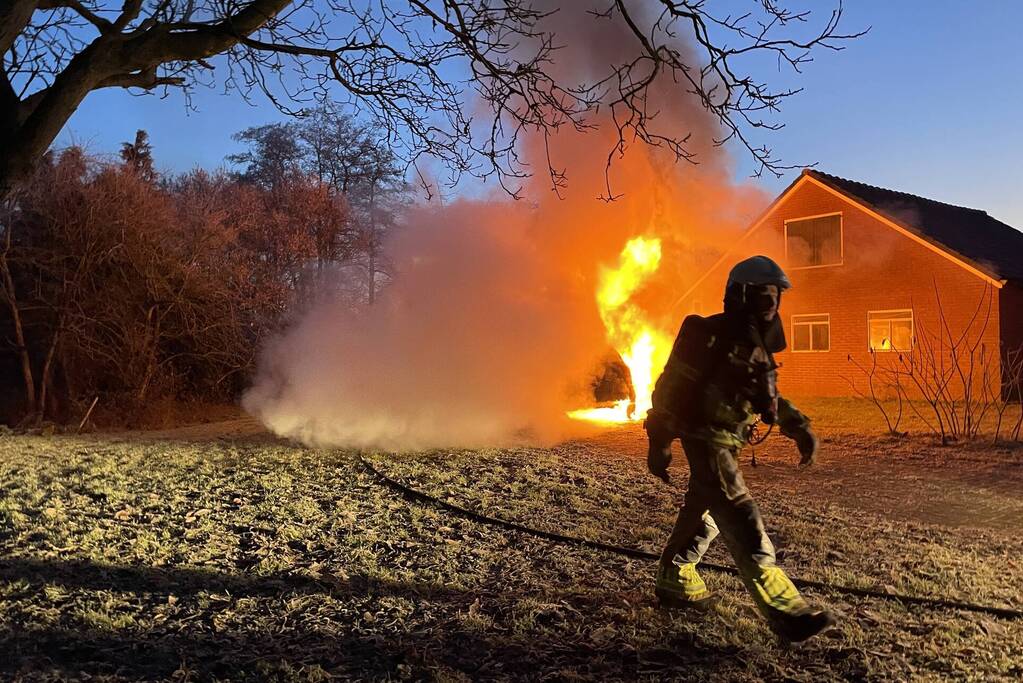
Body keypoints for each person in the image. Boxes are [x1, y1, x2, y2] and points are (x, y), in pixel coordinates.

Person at [644, 255, 836, 643]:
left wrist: (798, 427)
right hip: (706, 438)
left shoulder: (754, 346)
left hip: (727, 439)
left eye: (776, 299)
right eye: (766, 298)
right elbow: (669, 392)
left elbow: (767, 398)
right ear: (742, 296)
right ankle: (786, 611)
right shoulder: (707, 336)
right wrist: (660, 443)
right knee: (738, 512)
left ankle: (675, 576)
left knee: (707, 509)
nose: (773, 307)